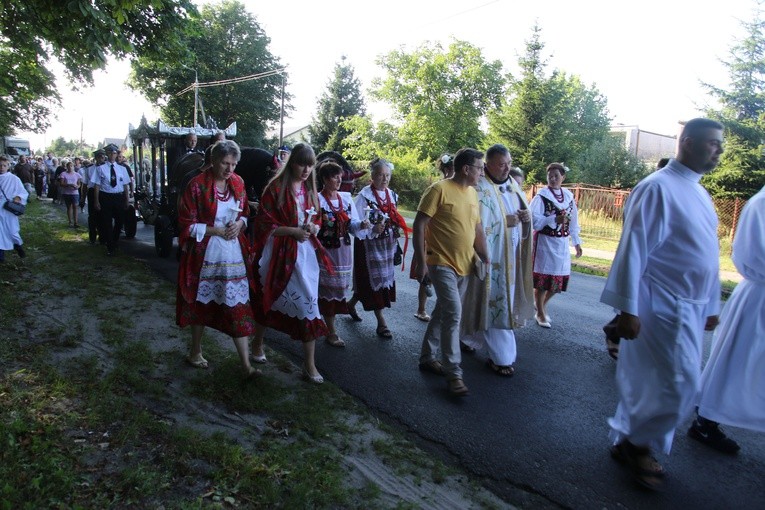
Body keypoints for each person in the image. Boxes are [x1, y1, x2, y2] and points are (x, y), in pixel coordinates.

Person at [601, 118, 724, 491]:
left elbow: (709, 255)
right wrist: (628, 308)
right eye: (712, 143)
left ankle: (629, 439)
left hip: (690, 304)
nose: (718, 150)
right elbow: (633, 249)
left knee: (660, 382)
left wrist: (711, 304)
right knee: (681, 383)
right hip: (662, 304)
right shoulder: (656, 188)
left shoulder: (699, 192)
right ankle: (636, 445)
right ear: (686, 142)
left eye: (720, 145)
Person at [689, 184, 765, 454]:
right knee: (737, 361)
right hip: (758, 298)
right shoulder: (761, 204)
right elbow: (751, 254)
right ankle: (706, 419)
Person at [176, 140, 259, 378]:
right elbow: (186, 225)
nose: (229, 169)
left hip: (232, 254)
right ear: (213, 161)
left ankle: (246, 365)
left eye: (233, 164)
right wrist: (216, 231)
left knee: (237, 305)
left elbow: (244, 212)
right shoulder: (196, 185)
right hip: (205, 255)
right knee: (200, 305)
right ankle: (195, 350)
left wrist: (241, 224)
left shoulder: (239, 183)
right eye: (225, 163)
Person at [250, 143, 332, 384]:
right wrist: (293, 231)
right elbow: (264, 224)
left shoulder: (310, 189)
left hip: (304, 255)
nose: (306, 169)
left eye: (310, 165)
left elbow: (316, 217)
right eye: (301, 163)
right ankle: (257, 343)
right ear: (292, 162)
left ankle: (308, 364)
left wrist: (312, 227)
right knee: (271, 298)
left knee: (309, 304)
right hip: (279, 253)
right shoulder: (275, 189)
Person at [414, 148, 489, 396]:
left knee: (442, 312)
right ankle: (454, 373)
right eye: (479, 167)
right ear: (466, 169)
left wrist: (486, 256)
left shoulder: (473, 193)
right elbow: (420, 222)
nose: (482, 171)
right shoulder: (439, 189)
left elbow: (476, 228)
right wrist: (420, 258)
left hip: (465, 264)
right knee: (454, 314)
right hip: (440, 262)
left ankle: (427, 357)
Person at [460, 144, 535, 376]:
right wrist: (506, 222)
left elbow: (523, 217)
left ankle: (468, 337)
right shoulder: (479, 189)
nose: (507, 168)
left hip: (511, 256)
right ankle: (502, 358)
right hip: (490, 257)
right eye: (502, 164)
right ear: (489, 164)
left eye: (509, 163)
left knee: (488, 300)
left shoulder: (513, 186)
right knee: (492, 301)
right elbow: (475, 224)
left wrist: (525, 218)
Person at [603, 156, 670, 361]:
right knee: (637, 302)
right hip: (646, 260)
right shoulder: (649, 189)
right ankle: (615, 331)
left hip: (663, 267)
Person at [347, 157, 410, 339]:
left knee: (378, 281)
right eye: (381, 175)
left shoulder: (392, 195)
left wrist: (395, 226)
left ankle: (350, 305)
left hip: (386, 246)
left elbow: (393, 216)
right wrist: (371, 228)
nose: (385, 179)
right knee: (372, 281)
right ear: (372, 177)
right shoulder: (363, 196)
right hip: (368, 246)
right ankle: (381, 322)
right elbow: (354, 223)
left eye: (387, 175)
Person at [316, 160, 370, 347]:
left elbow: (353, 224)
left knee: (338, 290)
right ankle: (330, 332)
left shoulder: (345, 199)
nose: (339, 180)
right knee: (326, 289)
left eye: (340, 176)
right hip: (324, 251)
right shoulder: (317, 199)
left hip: (343, 250)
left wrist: (361, 224)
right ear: (324, 179)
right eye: (334, 176)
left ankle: (325, 325)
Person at [529, 163, 582, 328]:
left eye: (556, 176)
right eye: (549, 176)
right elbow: (533, 221)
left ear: (563, 177)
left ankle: (540, 306)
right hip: (545, 241)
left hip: (561, 243)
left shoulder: (568, 197)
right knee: (543, 281)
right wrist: (552, 219)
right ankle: (540, 312)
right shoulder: (541, 197)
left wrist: (577, 242)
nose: (552, 179)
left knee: (557, 281)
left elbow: (573, 221)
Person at [412, 154, 454, 323]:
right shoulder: (437, 189)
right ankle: (421, 308)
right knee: (426, 278)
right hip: (430, 240)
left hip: (445, 243)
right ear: (445, 170)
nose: (453, 172)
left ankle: (439, 310)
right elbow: (421, 222)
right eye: (450, 168)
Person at [92, 145, 130, 256]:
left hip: (118, 197)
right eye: (109, 153)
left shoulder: (122, 169)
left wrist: (126, 200)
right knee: (107, 222)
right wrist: (96, 201)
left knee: (119, 221)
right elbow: (97, 186)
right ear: (106, 154)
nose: (112, 155)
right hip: (106, 197)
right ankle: (110, 245)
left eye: (114, 153)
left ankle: (114, 239)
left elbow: (125, 185)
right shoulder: (100, 169)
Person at [0, 155, 28, 262]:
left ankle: (18, 245)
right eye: (0, 165)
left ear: (8, 166)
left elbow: (22, 192)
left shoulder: (14, 179)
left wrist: (18, 197)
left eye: (4, 165)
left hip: (8, 209)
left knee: (12, 231)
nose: (1, 167)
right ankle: (1, 255)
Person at [80, 149, 106, 245]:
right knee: (92, 216)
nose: (101, 159)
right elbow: (85, 184)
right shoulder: (89, 169)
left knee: (103, 216)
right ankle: (92, 237)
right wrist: (82, 197)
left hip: (103, 192)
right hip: (91, 192)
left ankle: (103, 237)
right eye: (99, 157)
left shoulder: (107, 168)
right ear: (95, 158)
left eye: (103, 157)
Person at [59, 160, 82, 227]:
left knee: (75, 206)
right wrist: (69, 185)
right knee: (69, 207)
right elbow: (61, 183)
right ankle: (70, 221)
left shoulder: (77, 174)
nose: (70, 167)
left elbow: (79, 184)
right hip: (66, 193)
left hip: (75, 192)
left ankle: (76, 222)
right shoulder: (63, 174)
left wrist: (77, 187)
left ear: (73, 167)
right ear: (66, 167)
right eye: (68, 166)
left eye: (71, 166)